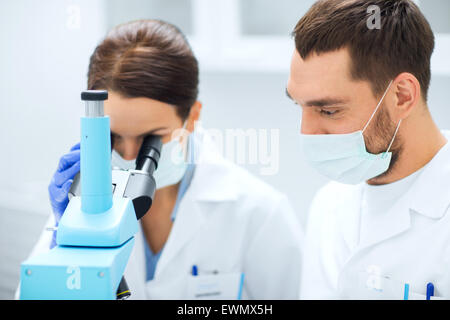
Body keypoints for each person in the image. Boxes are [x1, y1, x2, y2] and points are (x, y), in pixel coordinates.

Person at [19, 19, 303, 300]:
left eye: (150, 140)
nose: (129, 156)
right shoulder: (87, 206)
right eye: (113, 137)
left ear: (192, 117)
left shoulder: (258, 214)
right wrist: (64, 249)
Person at [286, 0, 450, 299]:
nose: (306, 133)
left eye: (329, 111)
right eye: (299, 106)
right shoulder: (328, 206)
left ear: (401, 96)